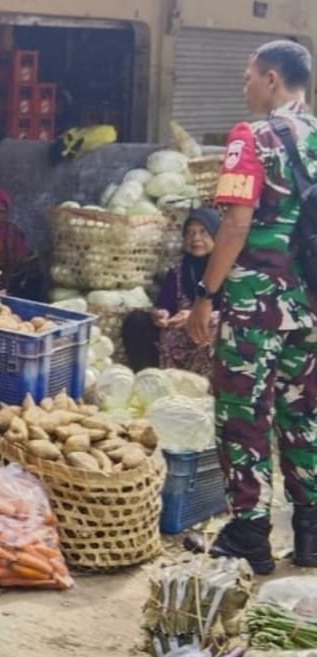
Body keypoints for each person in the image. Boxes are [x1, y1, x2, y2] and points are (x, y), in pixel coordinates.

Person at [184, 40, 317, 575]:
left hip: (256, 306)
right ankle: (310, 534)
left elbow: (236, 223)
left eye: (246, 77)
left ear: (270, 78)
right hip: (309, 307)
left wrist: (206, 294)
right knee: (303, 416)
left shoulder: (252, 139)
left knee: (244, 417)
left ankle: (249, 535)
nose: (244, 86)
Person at [121, 208, 222, 375]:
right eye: (189, 233)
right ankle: (151, 379)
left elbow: (232, 309)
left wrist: (194, 315)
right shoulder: (179, 268)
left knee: (217, 328)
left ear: (216, 235)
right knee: (136, 321)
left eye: (203, 232)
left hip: (207, 332)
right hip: (175, 334)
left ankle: (201, 386)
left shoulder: (227, 269)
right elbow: (165, 303)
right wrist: (162, 314)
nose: (196, 238)